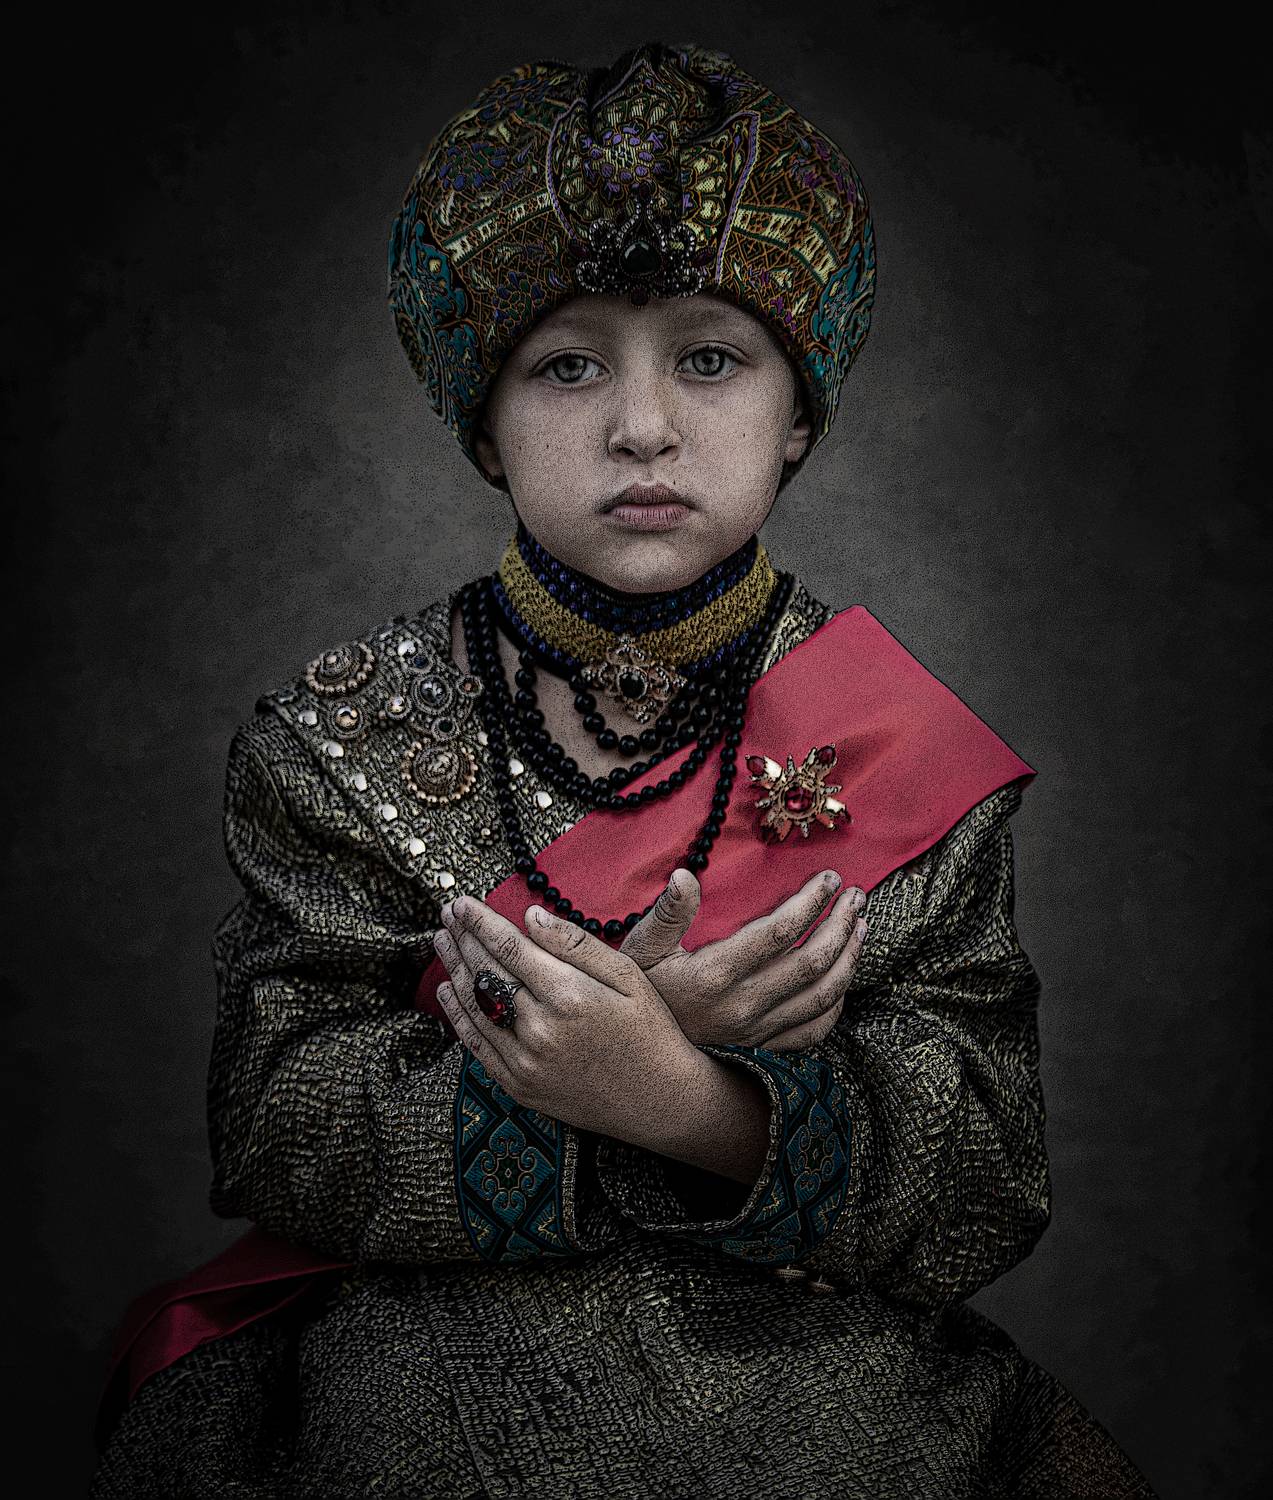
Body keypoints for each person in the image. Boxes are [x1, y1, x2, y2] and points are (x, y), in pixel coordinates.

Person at [91, 40, 1156, 1498]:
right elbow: (277, 1128)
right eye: (567, 364)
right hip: (432, 1375)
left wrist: (679, 1098)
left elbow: (983, 1177)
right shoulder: (333, 741)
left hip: (818, 1381)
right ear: (483, 423)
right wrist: (584, 1076)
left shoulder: (894, 738)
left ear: (798, 414)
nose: (642, 426)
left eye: (709, 360)